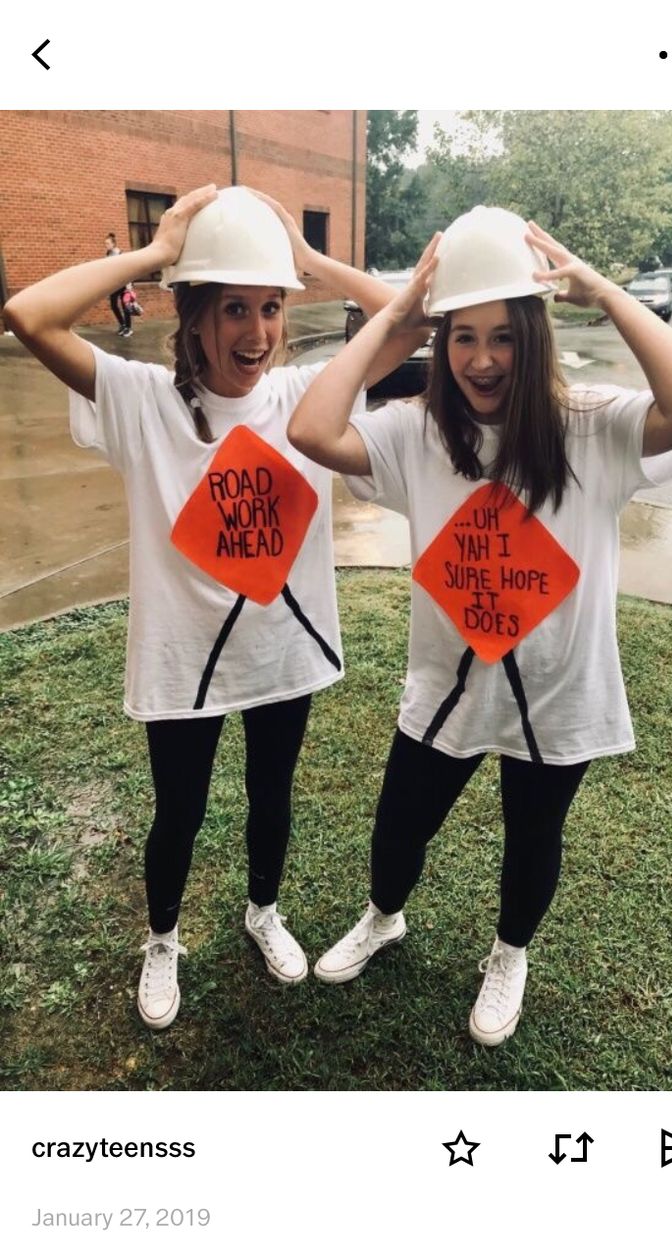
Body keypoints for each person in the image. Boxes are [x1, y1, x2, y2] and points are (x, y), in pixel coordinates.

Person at [286, 206, 672, 1047]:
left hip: (561, 697)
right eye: (461, 336)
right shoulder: (419, 432)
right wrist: (403, 306)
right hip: (446, 692)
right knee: (397, 829)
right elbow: (311, 428)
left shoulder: (592, 427)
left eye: (504, 336)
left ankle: (509, 951)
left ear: (537, 334)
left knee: (533, 838)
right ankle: (385, 918)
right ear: (440, 343)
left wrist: (596, 286)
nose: (482, 359)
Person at [4, 185, 425, 1031]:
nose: (259, 332)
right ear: (192, 314)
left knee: (273, 794)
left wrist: (308, 264)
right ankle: (163, 939)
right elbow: (29, 315)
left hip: (280, 651)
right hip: (182, 658)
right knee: (181, 810)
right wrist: (157, 256)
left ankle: (261, 911)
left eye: (271, 307)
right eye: (234, 307)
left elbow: (412, 324)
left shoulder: (307, 394)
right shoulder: (139, 399)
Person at [104, 233, 133, 338]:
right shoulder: (108, 254)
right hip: (114, 284)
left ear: (113, 244)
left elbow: (127, 270)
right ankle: (122, 324)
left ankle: (128, 328)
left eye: (107, 243)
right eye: (105, 243)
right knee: (113, 305)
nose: (106, 245)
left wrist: (129, 286)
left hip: (123, 284)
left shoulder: (120, 254)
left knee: (125, 306)